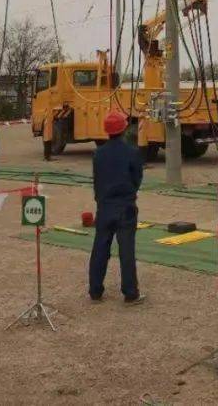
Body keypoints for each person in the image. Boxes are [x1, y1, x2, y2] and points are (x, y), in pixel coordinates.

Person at [88, 110, 144, 305]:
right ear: (123, 129)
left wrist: (101, 200)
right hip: (125, 206)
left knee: (100, 248)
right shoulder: (132, 152)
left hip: (104, 206)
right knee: (126, 250)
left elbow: (97, 181)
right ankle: (130, 293)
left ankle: (95, 291)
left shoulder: (99, 154)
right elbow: (137, 178)